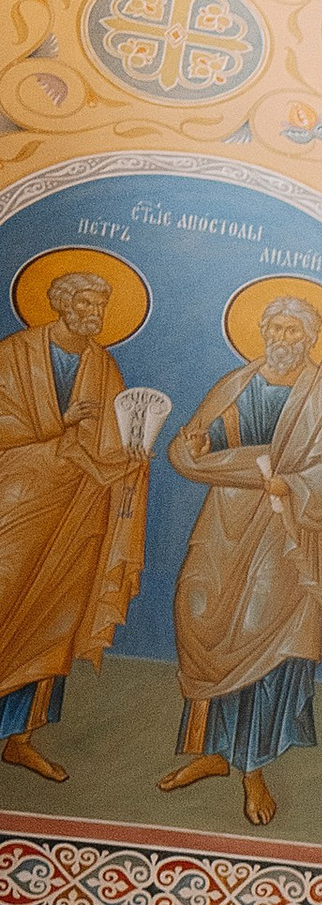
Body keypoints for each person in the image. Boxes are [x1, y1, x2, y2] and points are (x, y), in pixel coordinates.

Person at [157, 292, 322, 828]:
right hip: (225, 519)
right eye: (275, 328)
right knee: (198, 611)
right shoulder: (235, 384)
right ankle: (212, 750)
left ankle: (251, 766)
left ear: (311, 339)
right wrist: (200, 456)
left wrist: (292, 483)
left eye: (294, 331)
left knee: (260, 631)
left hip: (287, 530)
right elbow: (187, 447)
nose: (282, 339)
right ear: (263, 333)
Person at [0, 264, 147, 782]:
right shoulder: (15, 354)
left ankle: (21, 737)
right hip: (15, 498)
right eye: (83, 304)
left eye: (99, 307)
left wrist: (129, 460)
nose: (93, 315)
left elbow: (108, 438)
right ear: (60, 304)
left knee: (55, 619)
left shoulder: (104, 366)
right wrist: (54, 423)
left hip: (76, 509)